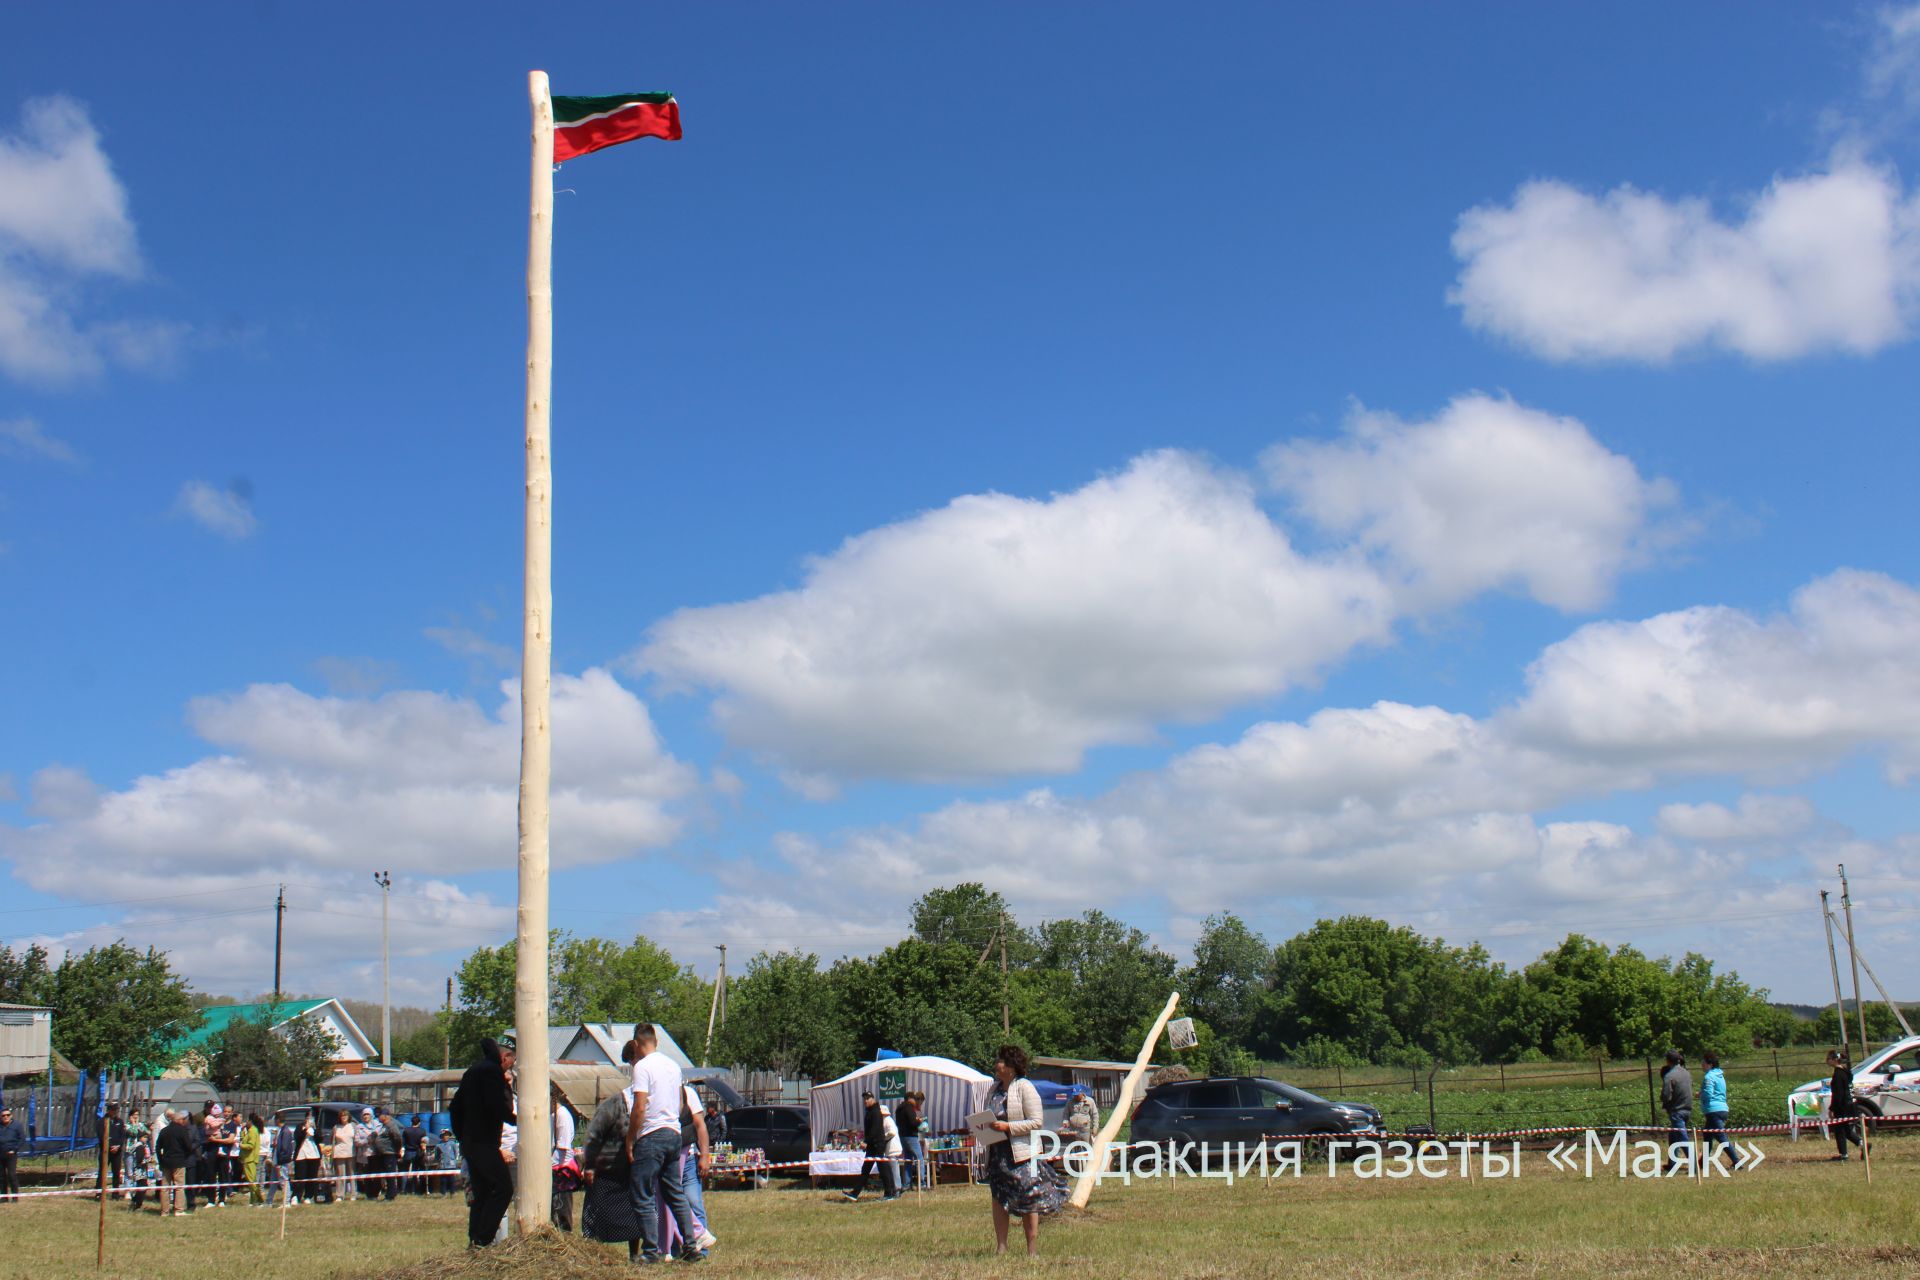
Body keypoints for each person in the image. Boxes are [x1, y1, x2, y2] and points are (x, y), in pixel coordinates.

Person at [622, 1025, 703, 1263]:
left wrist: (631, 1139)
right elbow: (680, 1103)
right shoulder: (673, 1066)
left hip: (651, 1136)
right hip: (674, 1134)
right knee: (674, 1192)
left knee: (642, 1193)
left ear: (636, 1044)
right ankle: (690, 1246)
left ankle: (651, 1252)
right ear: (655, 1041)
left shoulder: (642, 1067)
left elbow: (639, 1107)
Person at [984, 1044, 1066, 1257]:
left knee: (1029, 1200)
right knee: (998, 1198)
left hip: (1023, 1154)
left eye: (1000, 1061)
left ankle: (1032, 1250)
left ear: (1011, 1066)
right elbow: (990, 1116)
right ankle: (1001, 1247)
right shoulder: (993, 1089)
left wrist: (1008, 1127)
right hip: (997, 1153)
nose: (996, 1064)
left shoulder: (1025, 1087)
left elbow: (1037, 1122)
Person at [450, 1036, 516, 1247]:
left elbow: (454, 1107)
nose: (509, 1069)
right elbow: (496, 1105)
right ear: (505, 1057)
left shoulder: (472, 1071)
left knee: (483, 1192)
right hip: (484, 1141)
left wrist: (462, 1136)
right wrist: (515, 1119)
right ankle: (483, 1239)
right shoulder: (492, 1072)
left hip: (470, 1142)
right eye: (511, 1063)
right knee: (503, 1188)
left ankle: (475, 1241)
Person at [580, 1072, 644, 1262]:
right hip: (605, 1171)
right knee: (597, 1215)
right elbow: (593, 1136)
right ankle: (594, 1254)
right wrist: (590, 1165)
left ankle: (634, 1254)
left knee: (633, 1216)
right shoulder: (612, 1106)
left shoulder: (646, 1106)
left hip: (630, 1171)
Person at [678, 1082, 718, 1250]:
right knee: (673, 1204)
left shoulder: (688, 1094)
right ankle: (676, 1247)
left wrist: (704, 1157)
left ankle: (702, 1249)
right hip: (669, 1158)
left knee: (694, 1201)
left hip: (688, 1159)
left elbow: (700, 1127)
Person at [842, 1091, 898, 1202]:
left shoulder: (876, 1112)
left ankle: (890, 1192)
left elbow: (875, 1130)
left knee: (883, 1169)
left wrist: (866, 1141)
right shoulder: (870, 1111)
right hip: (872, 1145)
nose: (866, 1101)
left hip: (877, 1144)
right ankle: (855, 1193)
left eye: (868, 1098)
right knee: (866, 1169)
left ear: (873, 1099)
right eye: (864, 1099)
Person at [550, 1082, 579, 1231]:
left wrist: (545, 1165)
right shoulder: (552, 1115)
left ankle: (565, 1238)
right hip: (553, 1166)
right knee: (553, 1210)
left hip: (562, 1169)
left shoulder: (562, 1116)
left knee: (561, 1208)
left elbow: (563, 1149)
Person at [1660, 1049, 1692, 1173]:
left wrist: (1664, 1101)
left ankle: (1694, 1163)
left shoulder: (1669, 1076)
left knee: (1683, 1139)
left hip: (1677, 1111)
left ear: (1668, 1061)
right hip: (1687, 1109)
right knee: (1673, 1136)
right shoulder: (1686, 1073)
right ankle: (1672, 1163)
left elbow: (1666, 1096)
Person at [156, 1110, 193, 1217]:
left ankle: (164, 1211)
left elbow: (158, 1147)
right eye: (183, 1120)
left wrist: (160, 1160)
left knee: (165, 1188)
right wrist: (185, 1156)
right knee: (179, 1187)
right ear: (179, 1120)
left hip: (166, 1162)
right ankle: (179, 1210)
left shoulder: (164, 1131)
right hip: (179, 1162)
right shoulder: (182, 1131)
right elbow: (189, 1147)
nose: (184, 1121)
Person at [1828, 1049, 1860, 1161]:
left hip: (1842, 1107)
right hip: (1850, 1104)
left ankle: (1844, 1154)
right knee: (1846, 1130)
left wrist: (1832, 1108)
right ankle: (1862, 1144)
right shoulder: (1846, 1072)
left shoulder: (1838, 1075)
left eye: (1829, 1059)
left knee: (1839, 1130)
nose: (1827, 1061)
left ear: (1835, 1060)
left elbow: (1838, 1094)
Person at [1699, 1053, 1732, 1159]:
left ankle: (1737, 1162)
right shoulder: (1720, 1076)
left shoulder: (1709, 1076)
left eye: (1703, 1062)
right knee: (1707, 1136)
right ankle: (1702, 1163)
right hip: (1722, 1108)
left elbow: (1708, 1094)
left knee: (1721, 1137)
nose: (1701, 1064)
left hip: (1713, 1111)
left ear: (1710, 1064)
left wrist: (1700, 1095)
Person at [895, 1091, 924, 1191]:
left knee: (908, 1160)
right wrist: (919, 1121)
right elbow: (912, 1122)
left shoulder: (899, 1109)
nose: (915, 1101)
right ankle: (922, 1183)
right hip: (911, 1136)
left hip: (902, 1136)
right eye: (914, 1099)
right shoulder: (909, 1107)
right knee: (919, 1159)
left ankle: (906, 1184)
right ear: (909, 1099)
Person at [293, 1112, 324, 1205]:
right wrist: (305, 1129)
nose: (309, 1120)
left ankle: (309, 1196)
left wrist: (314, 1129)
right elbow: (297, 1138)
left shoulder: (315, 1127)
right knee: (300, 1176)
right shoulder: (300, 1127)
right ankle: (296, 1196)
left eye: (311, 1118)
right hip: (301, 1155)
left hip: (314, 1155)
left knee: (312, 1176)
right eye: (308, 1118)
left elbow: (320, 1139)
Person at [0, 1104, 28, 1202]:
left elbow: (22, 1139)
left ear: (11, 1115)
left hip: (11, 1154)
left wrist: (14, 1149)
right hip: (0, 1154)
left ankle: (15, 1197)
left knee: (12, 1175)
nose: (5, 1117)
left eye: (7, 1115)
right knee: (1, 1176)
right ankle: (4, 1197)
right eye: (3, 1115)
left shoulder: (17, 1125)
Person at [332, 1108, 358, 1202]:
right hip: (339, 1153)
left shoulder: (353, 1125)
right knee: (340, 1174)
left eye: (345, 1115)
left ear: (348, 1117)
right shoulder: (336, 1127)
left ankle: (353, 1194)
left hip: (351, 1152)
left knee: (352, 1173)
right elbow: (333, 1140)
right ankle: (340, 1195)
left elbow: (357, 1138)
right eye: (342, 1115)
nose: (344, 1117)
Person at [400, 1113, 427, 1195]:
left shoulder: (406, 1130)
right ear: (419, 1123)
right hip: (417, 1152)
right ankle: (414, 1190)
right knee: (415, 1171)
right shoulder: (422, 1131)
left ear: (411, 1122)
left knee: (405, 1171)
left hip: (408, 1151)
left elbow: (403, 1142)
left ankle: (403, 1189)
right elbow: (423, 1143)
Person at [240, 1114, 265, 1204]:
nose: (246, 1122)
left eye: (247, 1120)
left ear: (250, 1121)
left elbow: (251, 1145)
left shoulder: (253, 1131)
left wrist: (241, 1145)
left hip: (250, 1159)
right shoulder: (249, 1130)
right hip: (246, 1159)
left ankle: (260, 1199)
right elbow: (244, 1139)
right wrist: (242, 1132)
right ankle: (253, 1200)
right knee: (250, 1182)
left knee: (252, 1182)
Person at [105, 1103, 127, 1198]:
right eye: (113, 1110)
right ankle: (99, 1192)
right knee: (103, 1171)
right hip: (105, 1151)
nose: (115, 1112)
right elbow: (101, 1135)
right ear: (109, 1110)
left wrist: (118, 1146)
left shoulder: (120, 1122)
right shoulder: (103, 1121)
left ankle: (115, 1193)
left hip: (117, 1151)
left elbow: (122, 1135)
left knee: (116, 1172)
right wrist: (110, 1146)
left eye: (116, 1110)